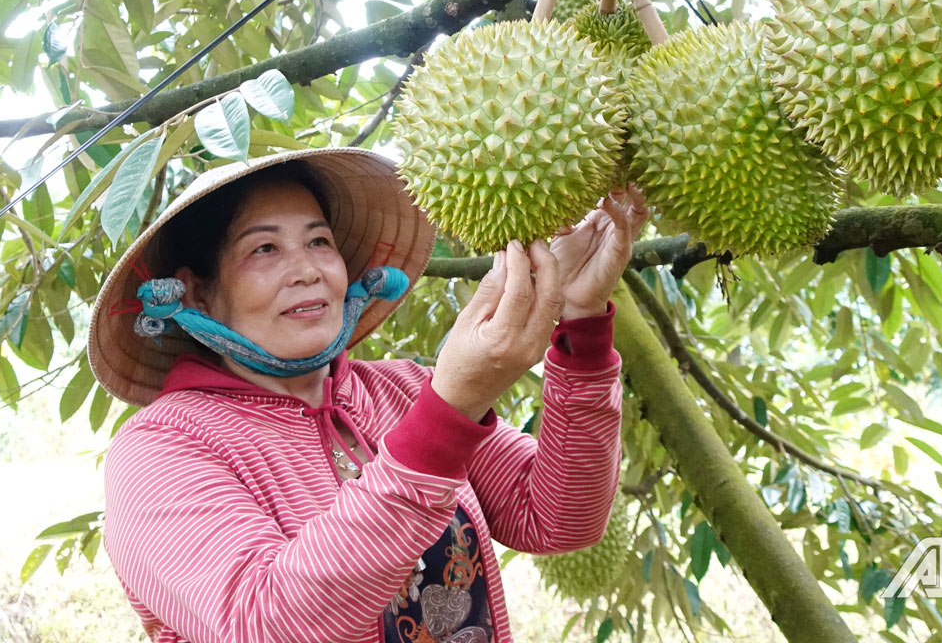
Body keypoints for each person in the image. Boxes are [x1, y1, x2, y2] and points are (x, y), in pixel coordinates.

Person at [89, 147, 647, 643]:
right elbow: (264, 621)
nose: (306, 269)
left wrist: (581, 325)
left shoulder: (403, 390)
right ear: (197, 292)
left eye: (318, 241)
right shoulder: (159, 449)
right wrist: (445, 416)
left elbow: (559, 517)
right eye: (263, 249)